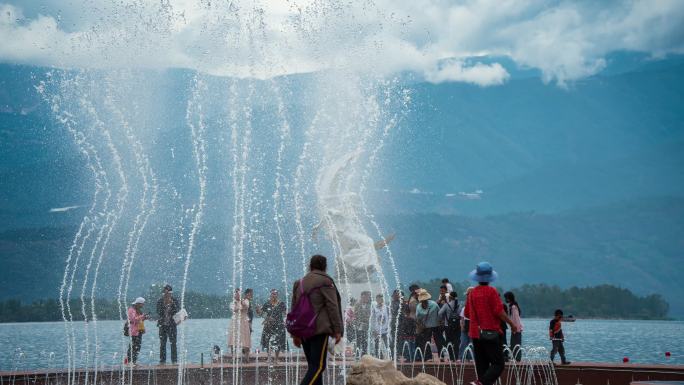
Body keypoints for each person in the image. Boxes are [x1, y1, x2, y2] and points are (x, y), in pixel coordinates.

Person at [290, 255, 343, 385]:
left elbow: (294, 308)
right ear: (325, 266)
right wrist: (338, 330)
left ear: (310, 265)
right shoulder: (326, 281)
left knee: (313, 367)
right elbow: (333, 306)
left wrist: (294, 334)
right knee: (319, 367)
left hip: (303, 330)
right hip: (319, 330)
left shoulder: (300, 282)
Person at [465, 262, 518, 385]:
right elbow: (499, 312)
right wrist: (512, 324)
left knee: (482, 365)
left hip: (475, 334)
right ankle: (480, 383)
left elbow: (467, 313)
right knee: (498, 364)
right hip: (490, 333)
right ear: (489, 278)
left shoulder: (472, 293)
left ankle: (481, 381)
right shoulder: (491, 291)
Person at [257, 289, 287, 361]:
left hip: (279, 324)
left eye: (275, 294)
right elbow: (261, 314)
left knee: (278, 342)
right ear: (270, 295)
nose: (274, 295)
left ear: (277, 295)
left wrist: (286, 321)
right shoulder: (267, 304)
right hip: (269, 325)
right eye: (272, 294)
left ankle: (276, 358)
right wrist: (258, 311)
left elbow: (285, 313)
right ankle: (269, 357)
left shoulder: (281, 303)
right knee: (267, 341)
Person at [415, 288, 445, 361]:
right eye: (422, 301)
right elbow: (418, 319)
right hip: (426, 327)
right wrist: (421, 325)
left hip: (436, 326)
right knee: (426, 342)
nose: (423, 302)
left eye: (424, 300)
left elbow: (440, 314)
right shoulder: (418, 307)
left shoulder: (434, 305)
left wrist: (441, 322)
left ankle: (441, 356)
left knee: (439, 341)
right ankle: (428, 357)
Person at [156, 285, 179, 364]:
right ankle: (162, 361)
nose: (166, 295)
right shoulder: (160, 301)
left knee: (173, 343)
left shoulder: (174, 300)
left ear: (171, 293)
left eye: (168, 293)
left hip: (172, 325)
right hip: (162, 325)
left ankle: (174, 361)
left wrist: (172, 304)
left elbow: (177, 311)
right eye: (165, 293)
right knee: (162, 343)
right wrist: (165, 305)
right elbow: (158, 312)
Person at [227, 288, 251, 360]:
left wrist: (240, 301)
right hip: (235, 322)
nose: (237, 295)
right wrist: (239, 306)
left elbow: (246, 306)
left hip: (244, 321)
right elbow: (234, 309)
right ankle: (233, 357)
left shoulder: (246, 301)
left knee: (246, 339)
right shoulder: (232, 303)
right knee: (232, 339)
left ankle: (247, 357)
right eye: (236, 294)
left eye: (238, 294)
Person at [127, 297, 149, 366]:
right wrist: (142, 316)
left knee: (137, 347)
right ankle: (129, 362)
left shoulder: (138, 310)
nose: (143, 306)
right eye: (142, 304)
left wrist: (144, 318)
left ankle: (134, 361)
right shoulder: (131, 310)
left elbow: (139, 320)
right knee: (132, 346)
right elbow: (133, 319)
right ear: (138, 303)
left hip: (139, 331)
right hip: (133, 331)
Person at [438, 291, 460, 360]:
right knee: (456, 342)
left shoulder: (446, 305)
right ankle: (456, 357)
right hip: (457, 326)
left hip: (448, 326)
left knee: (449, 341)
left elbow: (439, 313)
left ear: (450, 297)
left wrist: (443, 319)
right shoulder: (459, 305)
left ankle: (450, 357)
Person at [504, 291, 523, 362]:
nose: (505, 299)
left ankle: (517, 360)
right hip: (514, 329)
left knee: (516, 345)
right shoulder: (512, 306)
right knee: (513, 345)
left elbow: (516, 319)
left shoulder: (513, 307)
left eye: (506, 298)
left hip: (516, 329)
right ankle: (515, 359)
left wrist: (515, 328)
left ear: (509, 298)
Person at [353, 291, 372, 355]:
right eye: (364, 297)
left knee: (365, 340)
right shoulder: (357, 304)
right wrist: (358, 323)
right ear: (361, 297)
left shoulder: (370, 305)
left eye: (367, 297)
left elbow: (370, 315)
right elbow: (355, 315)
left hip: (366, 325)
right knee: (358, 340)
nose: (366, 298)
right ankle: (357, 353)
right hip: (358, 325)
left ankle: (364, 354)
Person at [458, 287, 474, 362]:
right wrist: (462, 326)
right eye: (467, 294)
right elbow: (462, 317)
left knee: (472, 343)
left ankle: (471, 358)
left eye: (468, 294)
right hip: (466, 325)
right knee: (463, 343)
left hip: (473, 325)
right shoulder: (465, 306)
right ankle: (461, 357)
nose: (467, 296)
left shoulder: (476, 305)